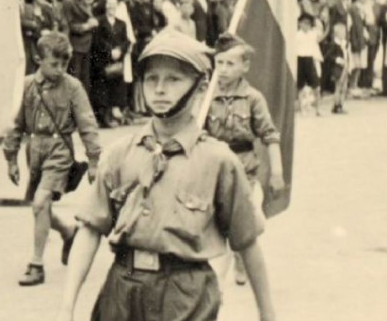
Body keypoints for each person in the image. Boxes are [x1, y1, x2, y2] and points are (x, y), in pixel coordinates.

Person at [55, 30, 276, 321]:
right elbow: (91, 229)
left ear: (201, 87)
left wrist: (267, 313)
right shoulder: (120, 154)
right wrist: (67, 306)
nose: (160, 89)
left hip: (186, 293)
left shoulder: (218, 160)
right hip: (122, 288)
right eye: (151, 79)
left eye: (174, 79)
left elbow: (247, 242)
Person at [5, 32, 101, 287]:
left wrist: (94, 160)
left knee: (40, 202)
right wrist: (11, 158)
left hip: (60, 150)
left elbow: (87, 124)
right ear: (38, 60)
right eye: (54, 64)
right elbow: (17, 124)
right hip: (35, 150)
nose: (60, 70)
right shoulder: (27, 86)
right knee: (40, 207)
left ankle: (36, 265)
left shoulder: (72, 87)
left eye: (64, 65)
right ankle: (69, 232)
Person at [206, 33, 284, 285]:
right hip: (214, 169)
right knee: (213, 221)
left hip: (244, 170)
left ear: (245, 66)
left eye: (231, 64)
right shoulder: (206, 97)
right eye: (219, 63)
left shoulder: (253, 98)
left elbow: (270, 137)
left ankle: (241, 256)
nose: (224, 70)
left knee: (247, 222)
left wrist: (276, 173)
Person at [90, 0, 132, 128]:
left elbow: (126, 41)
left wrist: (120, 50)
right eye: (109, 4)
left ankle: (114, 113)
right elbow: (97, 41)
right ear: (105, 6)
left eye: (114, 5)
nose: (111, 7)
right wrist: (109, 52)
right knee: (102, 88)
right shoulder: (99, 22)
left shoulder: (122, 23)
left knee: (116, 87)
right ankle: (103, 117)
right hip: (102, 60)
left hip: (117, 60)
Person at [61, 0, 99, 96]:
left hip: (87, 46)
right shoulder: (69, 2)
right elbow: (68, 25)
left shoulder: (87, 3)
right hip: (76, 46)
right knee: (75, 79)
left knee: (85, 80)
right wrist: (87, 26)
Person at [296, 13, 323, 114]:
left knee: (316, 86)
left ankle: (318, 109)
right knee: (300, 87)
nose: (306, 26)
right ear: (300, 24)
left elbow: (320, 34)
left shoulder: (313, 34)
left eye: (308, 24)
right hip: (300, 59)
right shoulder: (297, 35)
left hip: (310, 60)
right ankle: (301, 108)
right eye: (304, 23)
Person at [323, 22, 350, 114]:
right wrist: (337, 59)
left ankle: (341, 104)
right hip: (338, 68)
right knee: (338, 87)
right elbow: (328, 56)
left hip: (345, 67)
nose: (344, 35)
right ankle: (336, 105)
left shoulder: (344, 44)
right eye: (342, 33)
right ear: (337, 33)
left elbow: (346, 55)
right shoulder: (334, 44)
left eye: (345, 33)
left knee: (344, 87)